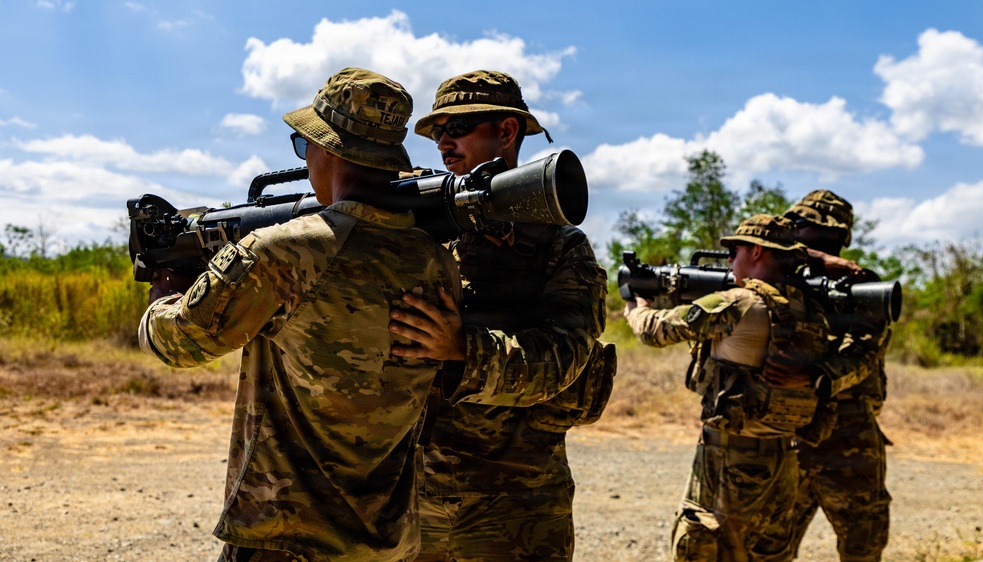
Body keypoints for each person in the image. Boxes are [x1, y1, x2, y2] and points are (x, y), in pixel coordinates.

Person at [138, 67, 461, 562]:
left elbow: (180, 341)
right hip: (387, 541)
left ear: (326, 150)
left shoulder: (284, 253)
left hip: (287, 538)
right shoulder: (435, 259)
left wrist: (163, 295)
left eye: (303, 144)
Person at [387, 70, 609, 561]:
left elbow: (566, 356)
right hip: (413, 498)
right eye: (437, 131)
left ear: (506, 132)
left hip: (515, 506)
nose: (443, 142)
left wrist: (463, 348)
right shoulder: (421, 231)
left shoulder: (560, 246)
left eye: (458, 128)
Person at [624, 215, 830, 561]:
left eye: (735, 250)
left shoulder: (738, 303)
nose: (731, 260)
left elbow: (656, 331)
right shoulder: (808, 311)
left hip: (730, 458)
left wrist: (636, 307)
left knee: (702, 547)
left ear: (757, 252)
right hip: (784, 460)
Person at [782, 190, 892, 561]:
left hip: (850, 437)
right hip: (790, 430)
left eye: (807, 226)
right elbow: (754, 241)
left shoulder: (863, 284)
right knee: (768, 546)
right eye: (798, 226)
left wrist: (815, 376)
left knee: (862, 545)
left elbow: (864, 351)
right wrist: (813, 258)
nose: (798, 231)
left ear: (838, 235)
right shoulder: (781, 277)